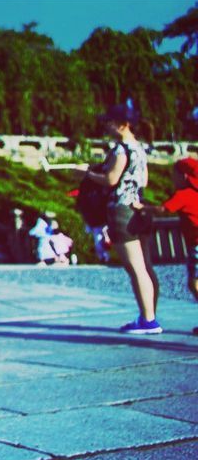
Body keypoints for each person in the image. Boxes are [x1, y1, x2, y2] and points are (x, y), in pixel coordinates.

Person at [83, 103, 161, 335]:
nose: (106, 126)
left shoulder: (120, 150)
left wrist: (86, 174)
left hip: (122, 210)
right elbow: (144, 181)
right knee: (146, 266)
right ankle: (149, 315)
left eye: (109, 122)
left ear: (122, 125)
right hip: (139, 207)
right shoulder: (139, 149)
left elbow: (110, 180)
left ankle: (148, 320)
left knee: (135, 268)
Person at [160, 157, 198, 335]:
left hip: (196, 245)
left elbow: (165, 209)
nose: (172, 179)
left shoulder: (183, 194)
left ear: (183, 176)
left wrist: (141, 207)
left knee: (194, 283)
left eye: (173, 175)